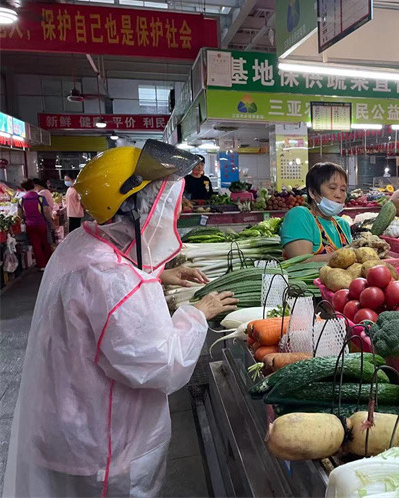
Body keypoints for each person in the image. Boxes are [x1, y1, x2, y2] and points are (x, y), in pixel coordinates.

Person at [3, 141, 238, 497]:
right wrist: (197, 313)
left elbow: (103, 293)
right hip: (105, 443)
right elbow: (160, 363)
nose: (167, 213)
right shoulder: (113, 278)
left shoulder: (81, 244)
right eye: (161, 202)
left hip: (70, 423)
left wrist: (159, 276)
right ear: (136, 209)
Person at [280, 162, 352, 261]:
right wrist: (351, 252)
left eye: (343, 190)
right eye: (332, 188)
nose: (339, 195)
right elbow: (301, 262)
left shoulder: (342, 225)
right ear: (312, 192)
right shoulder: (300, 216)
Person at [17, 179, 53, 270]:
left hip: (30, 225)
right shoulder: (40, 198)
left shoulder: (21, 200)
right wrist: (51, 223)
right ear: (34, 186)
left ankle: (41, 265)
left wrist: (26, 218)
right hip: (41, 224)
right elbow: (46, 212)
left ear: (24, 188)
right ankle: (49, 264)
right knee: (45, 243)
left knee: (36, 245)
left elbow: (20, 214)